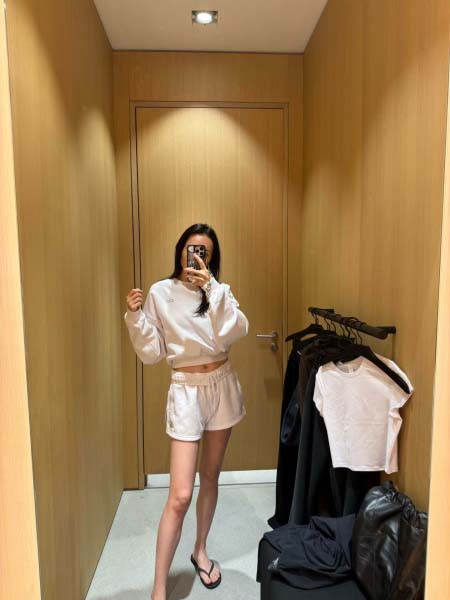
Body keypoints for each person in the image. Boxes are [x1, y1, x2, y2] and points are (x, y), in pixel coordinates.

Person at [124, 223, 249, 600]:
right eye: (191, 248)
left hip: (222, 385)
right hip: (186, 391)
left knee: (210, 476)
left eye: (204, 251)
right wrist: (135, 317)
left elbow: (235, 331)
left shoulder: (219, 292)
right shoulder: (161, 292)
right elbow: (152, 353)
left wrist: (212, 288)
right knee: (179, 494)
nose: (196, 255)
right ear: (180, 250)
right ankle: (159, 589)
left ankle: (200, 550)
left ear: (212, 258)